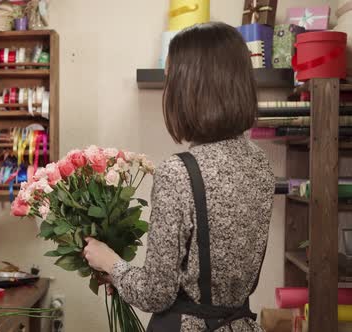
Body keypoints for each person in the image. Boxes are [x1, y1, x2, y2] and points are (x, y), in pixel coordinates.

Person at [83, 22, 275, 332]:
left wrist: (110, 263)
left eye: (170, 78)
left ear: (190, 87)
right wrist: (123, 277)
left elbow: (156, 294)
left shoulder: (179, 171)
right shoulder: (260, 164)